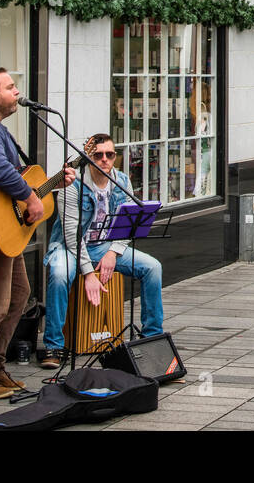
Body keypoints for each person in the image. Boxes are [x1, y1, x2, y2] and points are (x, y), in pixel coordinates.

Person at [0, 68, 77, 399]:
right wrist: (30, 196)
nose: (17, 92)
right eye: (10, 87)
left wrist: (48, 185)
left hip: (2, 232)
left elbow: (14, 175)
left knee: (19, 295)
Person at [41, 134, 164, 369]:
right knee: (58, 274)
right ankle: (53, 345)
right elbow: (71, 235)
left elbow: (129, 224)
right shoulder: (72, 185)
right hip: (71, 248)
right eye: (98, 155)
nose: (105, 160)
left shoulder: (122, 181)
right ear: (88, 158)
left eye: (110, 155)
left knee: (153, 268)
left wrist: (113, 254)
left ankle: (152, 337)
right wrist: (88, 273)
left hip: (106, 247)